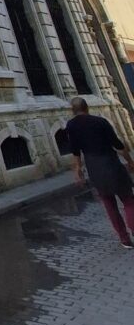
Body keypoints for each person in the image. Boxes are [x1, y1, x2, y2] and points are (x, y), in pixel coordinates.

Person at [66, 97, 134, 247]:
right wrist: (129, 161)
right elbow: (118, 145)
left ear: (73, 110)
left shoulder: (71, 125)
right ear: (87, 107)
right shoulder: (100, 121)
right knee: (128, 200)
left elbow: (75, 151)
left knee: (109, 204)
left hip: (94, 167)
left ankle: (124, 239)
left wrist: (78, 171)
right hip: (110, 162)